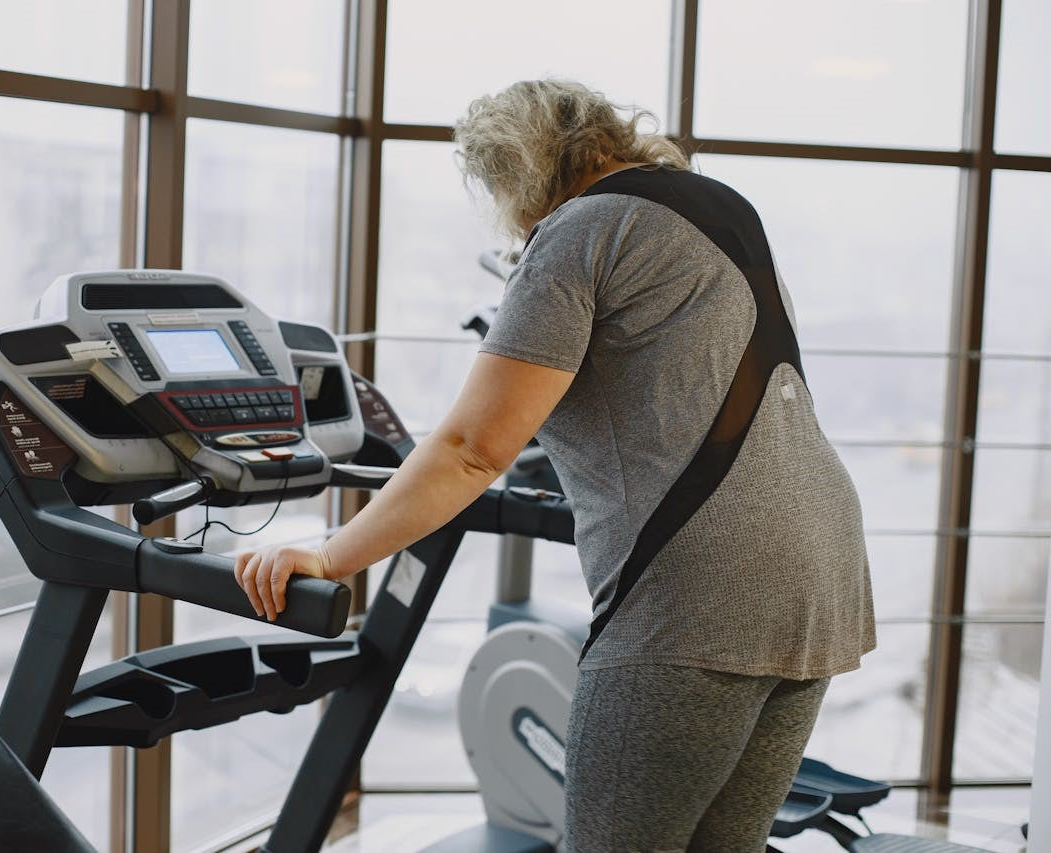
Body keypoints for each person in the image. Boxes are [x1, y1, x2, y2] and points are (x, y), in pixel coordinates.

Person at [235, 79, 876, 852]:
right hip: (824, 569)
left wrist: (333, 555)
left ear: (516, 169)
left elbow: (474, 447)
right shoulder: (718, 205)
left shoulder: (578, 231)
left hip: (698, 589)